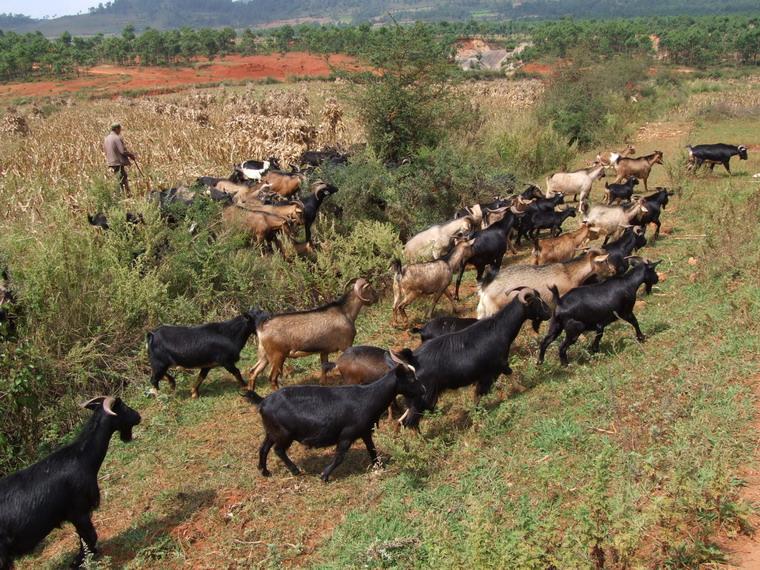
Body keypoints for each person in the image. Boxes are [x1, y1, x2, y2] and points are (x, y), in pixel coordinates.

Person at [103, 122, 136, 193]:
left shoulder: (106, 138)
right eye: (120, 129)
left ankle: (122, 193)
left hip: (111, 161)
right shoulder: (117, 138)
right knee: (122, 177)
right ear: (116, 129)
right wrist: (131, 155)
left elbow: (105, 150)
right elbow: (122, 151)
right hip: (118, 161)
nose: (120, 131)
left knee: (119, 177)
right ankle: (125, 194)